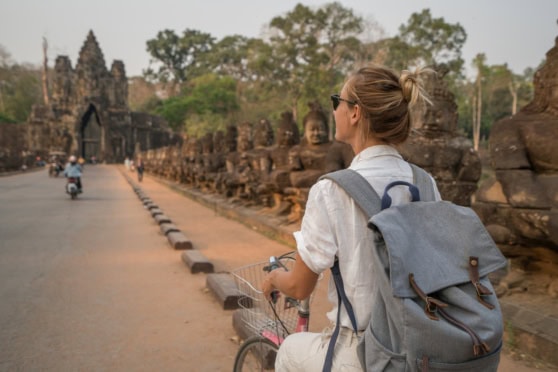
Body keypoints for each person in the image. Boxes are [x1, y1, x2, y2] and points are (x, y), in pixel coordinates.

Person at [262, 64, 440, 371]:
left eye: (337, 102)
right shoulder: (426, 183)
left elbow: (300, 288)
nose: (334, 111)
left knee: (290, 350)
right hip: (423, 347)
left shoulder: (331, 190)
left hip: (363, 353)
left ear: (354, 112)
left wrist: (274, 278)